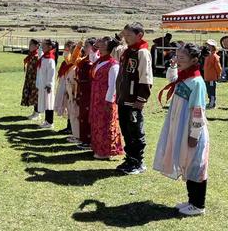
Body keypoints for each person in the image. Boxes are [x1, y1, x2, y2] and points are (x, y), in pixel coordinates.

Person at [154, 43, 209, 216]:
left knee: (196, 167)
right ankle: (191, 201)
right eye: (177, 56)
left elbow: (198, 110)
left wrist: (194, 134)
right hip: (181, 127)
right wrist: (172, 66)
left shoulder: (196, 82)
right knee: (186, 163)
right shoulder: (184, 77)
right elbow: (172, 79)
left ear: (194, 60)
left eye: (182, 58)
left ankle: (198, 205)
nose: (178, 60)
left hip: (192, 130)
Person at [115, 22, 153, 175]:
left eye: (129, 35)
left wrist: (140, 99)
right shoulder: (126, 51)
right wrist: (121, 34)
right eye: (125, 35)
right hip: (123, 98)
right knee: (126, 130)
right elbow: (113, 45)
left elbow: (146, 77)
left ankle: (138, 162)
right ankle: (130, 158)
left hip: (134, 100)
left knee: (135, 131)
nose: (126, 38)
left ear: (139, 35)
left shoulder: (142, 53)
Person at [89, 37, 123, 160]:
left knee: (105, 124)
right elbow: (92, 56)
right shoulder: (100, 61)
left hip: (105, 99)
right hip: (97, 97)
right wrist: (95, 46)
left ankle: (106, 151)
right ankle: (98, 148)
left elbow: (113, 86)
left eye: (103, 43)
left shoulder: (113, 64)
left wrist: (109, 102)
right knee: (97, 123)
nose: (100, 45)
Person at [76, 37, 98, 149]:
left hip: (89, 92)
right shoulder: (84, 60)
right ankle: (83, 139)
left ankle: (89, 140)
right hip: (82, 91)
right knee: (82, 116)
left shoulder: (91, 63)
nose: (84, 48)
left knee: (87, 116)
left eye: (87, 46)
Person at [36, 39, 57, 129]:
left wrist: (49, 84)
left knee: (49, 103)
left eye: (44, 45)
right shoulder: (44, 57)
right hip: (42, 83)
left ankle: (50, 122)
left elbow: (52, 73)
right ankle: (46, 120)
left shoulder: (50, 59)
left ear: (50, 47)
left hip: (47, 85)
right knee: (45, 102)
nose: (42, 47)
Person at [23, 39, 40, 120]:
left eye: (31, 44)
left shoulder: (37, 56)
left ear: (36, 46)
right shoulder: (31, 54)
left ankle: (37, 113)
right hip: (30, 78)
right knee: (32, 95)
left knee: (36, 95)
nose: (29, 46)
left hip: (35, 78)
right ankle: (35, 112)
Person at [203, 39, 222, 109]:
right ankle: (210, 102)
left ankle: (212, 104)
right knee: (208, 90)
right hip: (207, 77)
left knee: (211, 90)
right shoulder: (207, 55)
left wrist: (219, 75)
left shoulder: (214, 56)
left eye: (209, 45)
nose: (207, 46)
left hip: (212, 77)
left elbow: (218, 67)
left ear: (213, 47)